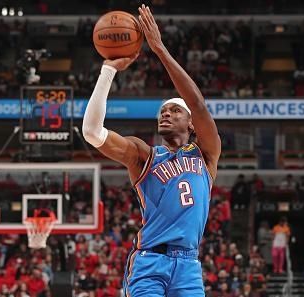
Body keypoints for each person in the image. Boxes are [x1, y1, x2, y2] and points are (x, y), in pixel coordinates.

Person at [82, 4, 221, 297]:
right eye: (162, 111)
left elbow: (197, 103)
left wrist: (159, 50)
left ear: (191, 124)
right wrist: (108, 70)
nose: (165, 114)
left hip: (188, 265)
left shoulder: (206, 155)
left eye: (173, 110)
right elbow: (92, 132)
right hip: (149, 261)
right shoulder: (143, 155)